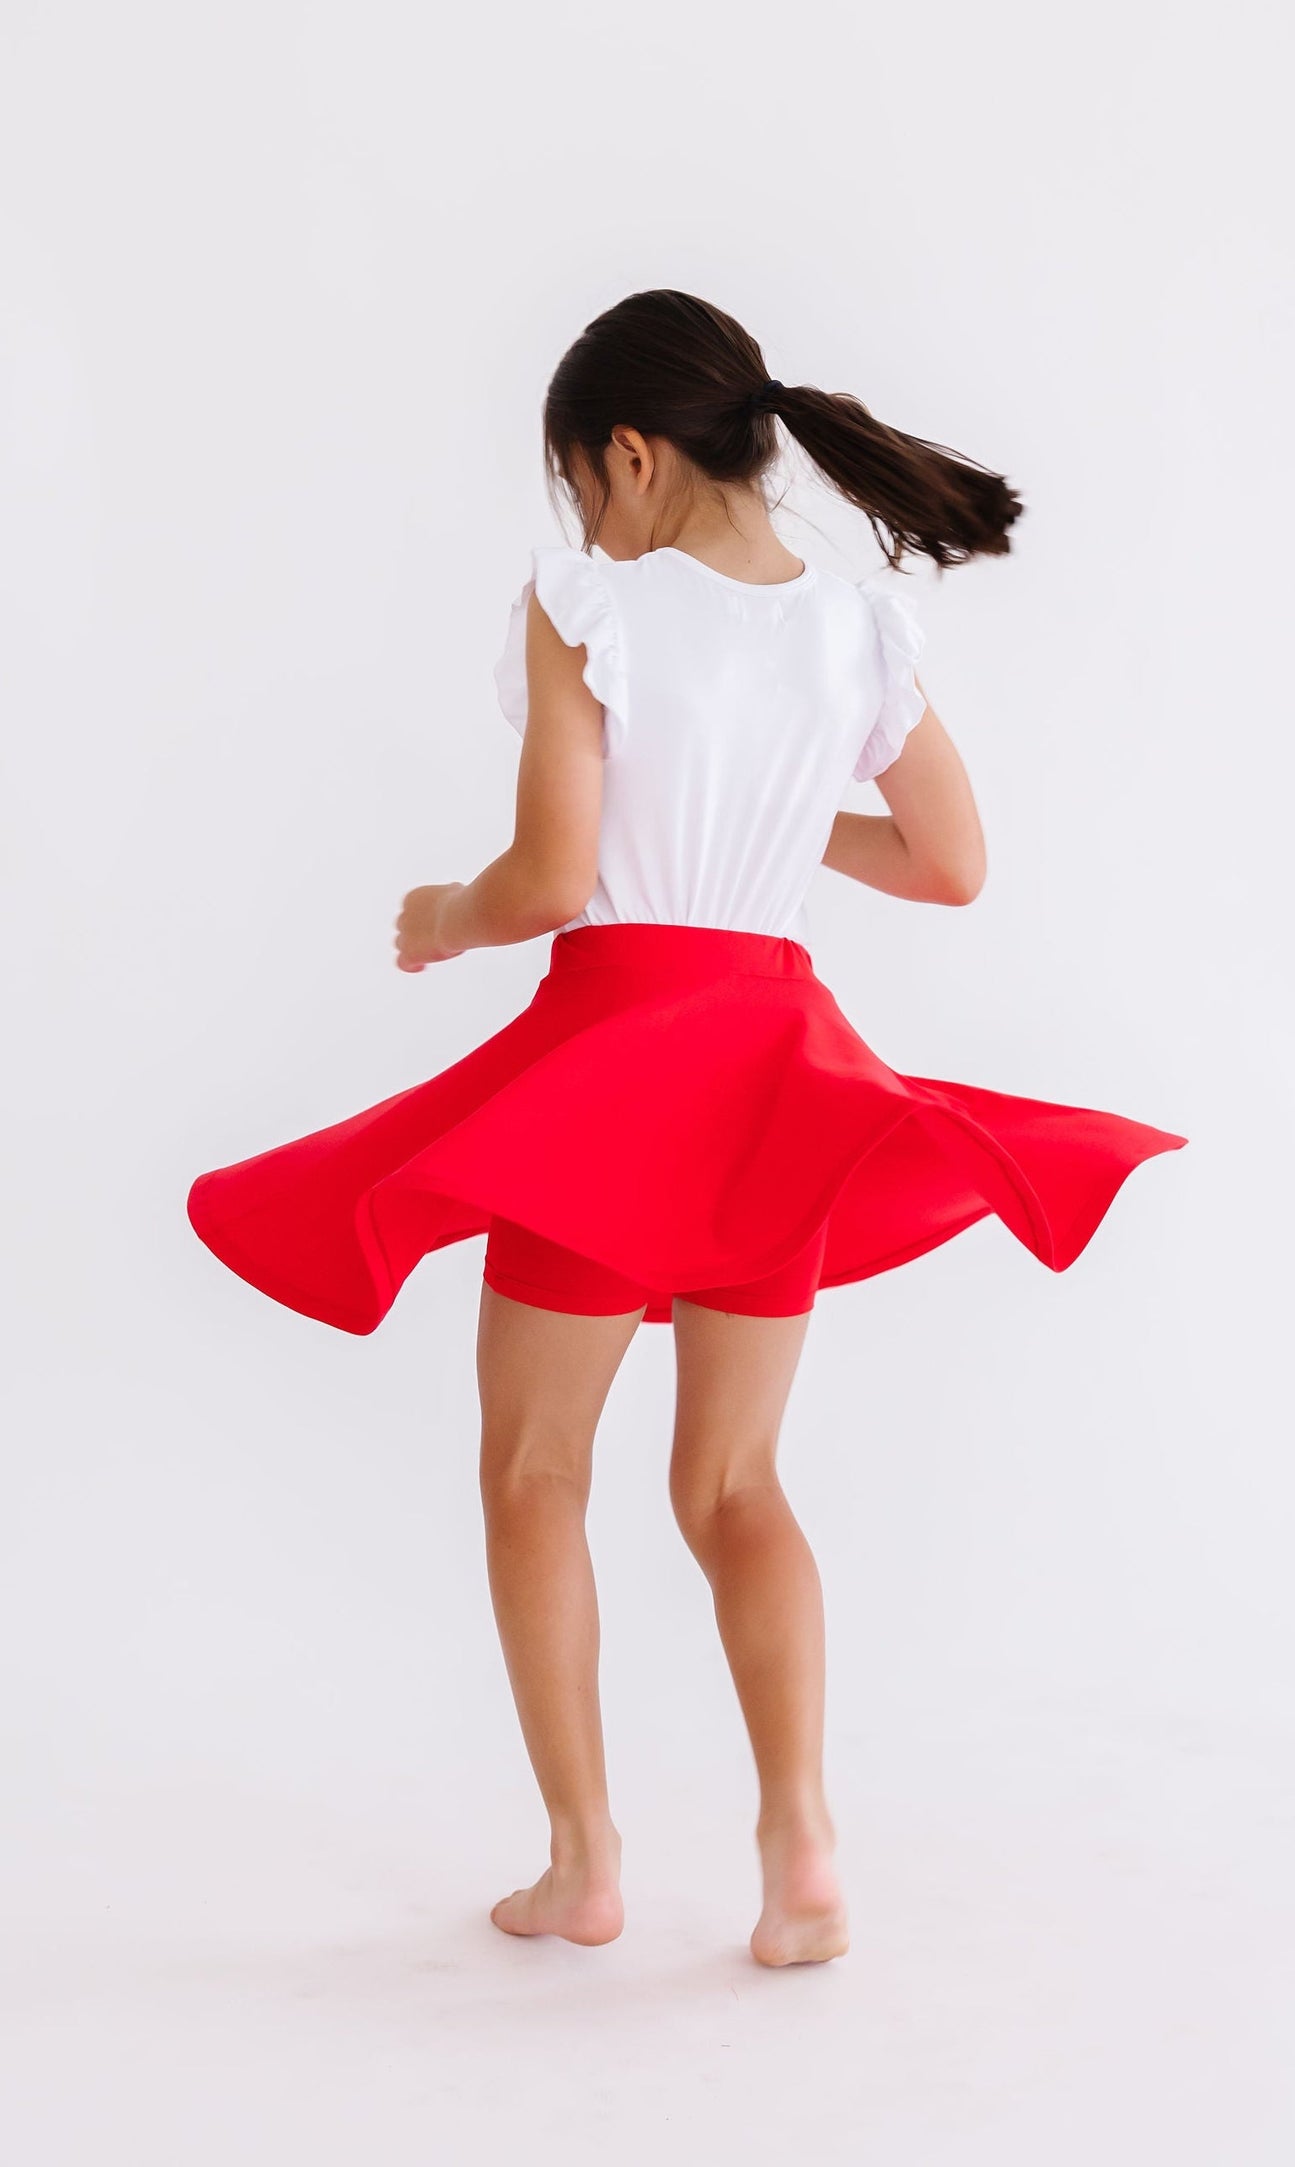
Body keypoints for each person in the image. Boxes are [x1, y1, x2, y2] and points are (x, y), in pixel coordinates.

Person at [186, 288, 1187, 1968]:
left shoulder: (588, 606)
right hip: (773, 1075)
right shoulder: (855, 630)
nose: (580, 516)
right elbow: (949, 864)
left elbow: (548, 879)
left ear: (631, 456)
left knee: (533, 1469)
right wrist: (778, 817)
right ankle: (801, 1848)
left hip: (610, 1081)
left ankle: (583, 1865)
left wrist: (443, 913)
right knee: (732, 1483)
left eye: (578, 481)